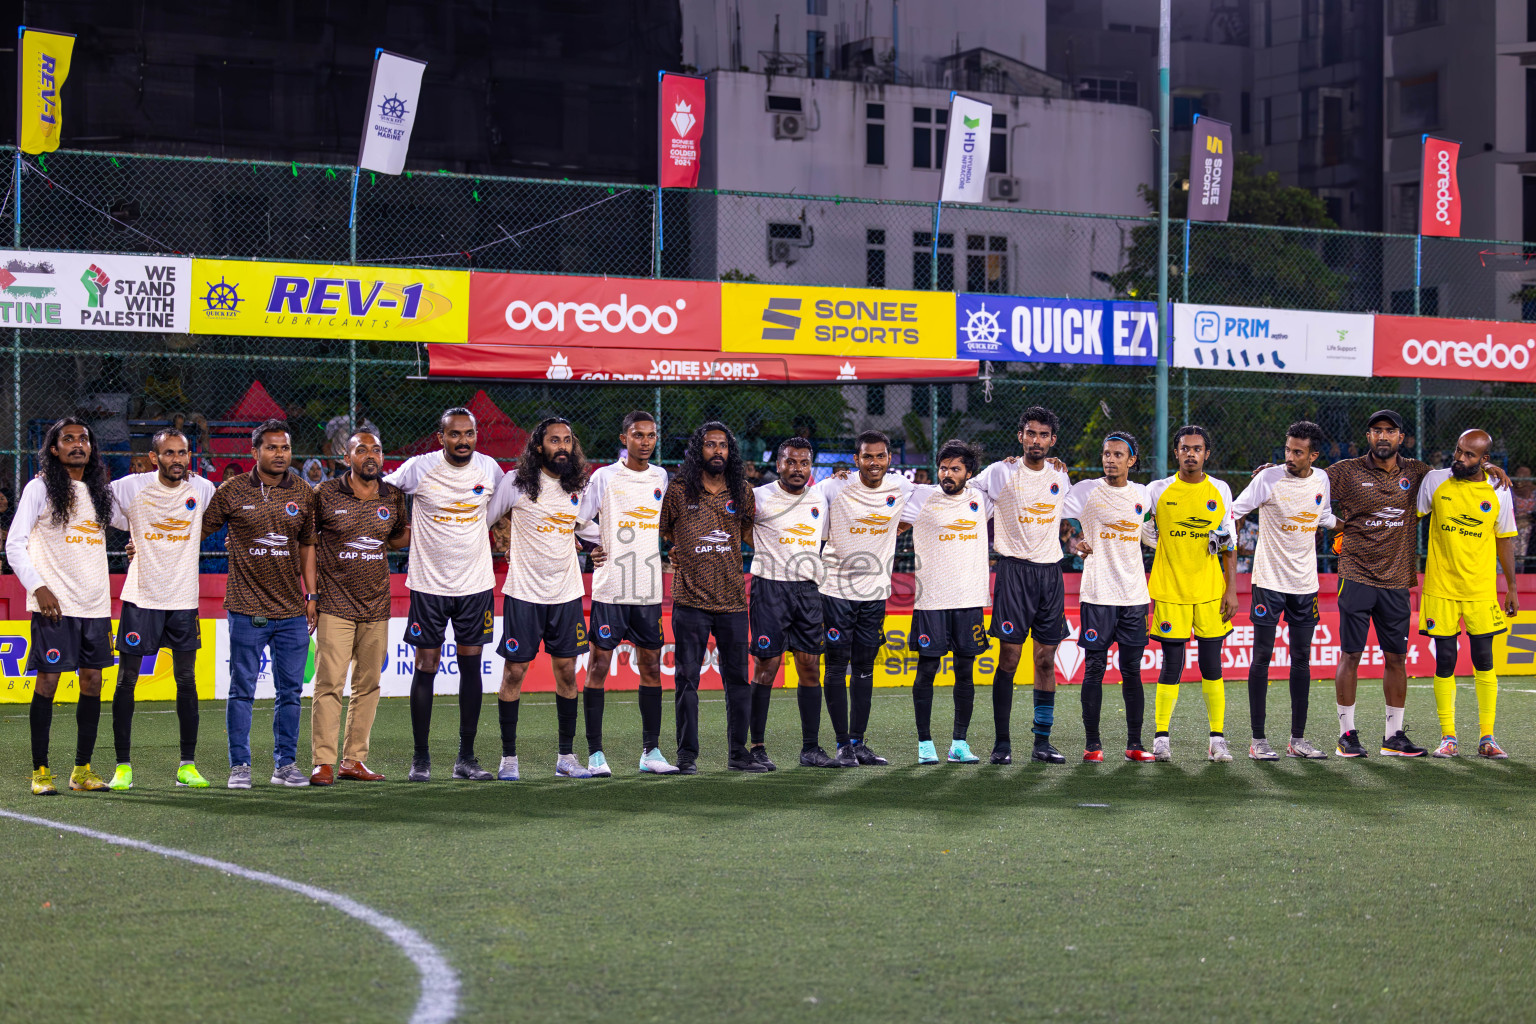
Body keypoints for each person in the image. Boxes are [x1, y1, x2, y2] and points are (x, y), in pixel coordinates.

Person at [1322, 410, 1505, 758]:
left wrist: (1492, 470)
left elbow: (1463, 473)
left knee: (1396, 659)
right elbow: (1308, 482)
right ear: (1368, 436)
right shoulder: (1346, 471)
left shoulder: (1421, 473)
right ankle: (1347, 734)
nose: (1383, 437)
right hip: (1356, 574)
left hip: (1396, 581)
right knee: (1350, 654)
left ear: (1400, 438)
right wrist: (1277, 473)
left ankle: (1393, 737)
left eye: (1389, 431)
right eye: (1376, 431)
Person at [383, 407, 504, 782]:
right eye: (455, 434)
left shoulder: (490, 469)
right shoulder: (418, 468)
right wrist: (392, 525)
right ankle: (421, 759)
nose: (463, 440)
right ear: (441, 437)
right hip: (428, 586)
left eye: (469, 433)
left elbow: (510, 508)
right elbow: (381, 490)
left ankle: (466, 758)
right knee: (426, 666)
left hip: (476, 585)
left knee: (472, 668)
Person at [201, 420, 318, 789]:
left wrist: (311, 595)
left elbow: (307, 546)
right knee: (241, 689)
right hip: (245, 607)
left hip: (291, 612)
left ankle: (285, 765)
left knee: (290, 693)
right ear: (255, 452)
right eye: (271, 448)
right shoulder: (232, 490)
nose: (279, 454)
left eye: (284, 448)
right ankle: (240, 766)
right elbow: (197, 530)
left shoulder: (303, 491)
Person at [8, 418, 115, 794]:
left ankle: (81, 771)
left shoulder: (101, 493)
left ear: (91, 447)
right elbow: (14, 544)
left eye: (83, 438)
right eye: (67, 439)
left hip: (95, 605)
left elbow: (140, 519)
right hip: (54, 605)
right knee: (49, 682)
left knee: (93, 681)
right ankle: (41, 772)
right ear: (54, 449)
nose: (76, 444)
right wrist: (38, 588)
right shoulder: (40, 488)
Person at [106, 427, 218, 790]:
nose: (176, 460)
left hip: (183, 600)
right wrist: (132, 536)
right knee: (127, 680)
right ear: (155, 458)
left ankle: (188, 765)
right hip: (142, 598)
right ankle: (123, 766)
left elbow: (214, 521)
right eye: (168, 453)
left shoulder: (202, 489)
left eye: (182, 453)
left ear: (190, 456)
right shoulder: (131, 486)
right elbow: (95, 503)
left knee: (186, 680)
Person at [487, 417, 593, 781]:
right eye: (554, 441)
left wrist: (599, 544)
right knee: (514, 672)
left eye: (567, 440)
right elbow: (486, 518)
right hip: (523, 594)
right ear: (538, 447)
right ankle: (509, 758)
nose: (562, 446)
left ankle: (566, 757)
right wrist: (501, 538)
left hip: (566, 594)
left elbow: (587, 525)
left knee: (566, 672)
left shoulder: (579, 486)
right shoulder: (515, 483)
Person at [1229, 422, 1336, 761]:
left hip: (1305, 585)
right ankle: (1258, 740)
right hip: (1269, 582)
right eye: (1288, 449)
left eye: (1298, 452)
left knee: (1301, 660)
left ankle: (1297, 739)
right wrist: (1227, 549)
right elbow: (1233, 512)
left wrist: (1353, 529)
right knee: (1261, 657)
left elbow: (1326, 517)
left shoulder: (1322, 480)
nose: (1290, 456)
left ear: (1313, 456)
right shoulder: (1268, 478)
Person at [307, 431, 410, 785]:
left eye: (377, 450)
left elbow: (398, 537)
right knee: (329, 684)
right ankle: (323, 761)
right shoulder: (325, 494)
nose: (370, 455)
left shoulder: (393, 497)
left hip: (377, 606)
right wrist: (311, 595)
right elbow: (306, 541)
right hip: (334, 603)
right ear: (346, 456)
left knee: (368, 685)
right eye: (361, 449)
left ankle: (353, 760)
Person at [972, 406, 1073, 765]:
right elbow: (964, 492)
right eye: (1031, 433)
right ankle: (1002, 743)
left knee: (1046, 660)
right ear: (1020, 436)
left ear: (1052, 441)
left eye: (1044, 435)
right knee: (1010, 658)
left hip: (1050, 574)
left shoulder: (1061, 476)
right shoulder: (1000, 472)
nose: (1036, 440)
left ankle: (1041, 742)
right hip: (1013, 572)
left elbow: (1081, 507)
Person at [577, 411, 676, 775]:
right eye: (638, 435)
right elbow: (578, 519)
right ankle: (596, 754)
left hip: (649, 590)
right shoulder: (604, 477)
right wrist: (592, 546)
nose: (645, 441)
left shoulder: (661, 477)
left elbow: (668, 520)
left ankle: (651, 752)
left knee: (651, 667)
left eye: (651, 435)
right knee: (599, 666)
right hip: (611, 590)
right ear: (624, 439)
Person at [659, 421, 760, 774]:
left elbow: (750, 532)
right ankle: (687, 756)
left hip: (733, 599)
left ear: (730, 452)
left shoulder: (742, 491)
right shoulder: (679, 490)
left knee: (738, 680)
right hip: (689, 600)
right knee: (687, 679)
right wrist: (672, 549)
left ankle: (738, 754)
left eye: (723, 445)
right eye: (710, 444)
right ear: (697, 450)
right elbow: (663, 530)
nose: (717, 451)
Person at [1418, 430, 1520, 758]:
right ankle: (1448, 737)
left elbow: (1505, 539)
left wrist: (1512, 587)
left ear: (1484, 460)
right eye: (1458, 451)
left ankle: (1487, 738)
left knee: (1484, 659)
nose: (1460, 458)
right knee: (1445, 658)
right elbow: (1409, 517)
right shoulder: (1435, 481)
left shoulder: (1499, 489)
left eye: (1469, 455)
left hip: (1480, 590)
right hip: (1441, 588)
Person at [817, 429, 916, 767]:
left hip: (874, 595)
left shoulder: (901, 487)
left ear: (889, 459)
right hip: (835, 592)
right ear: (856, 459)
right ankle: (842, 744)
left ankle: (859, 742)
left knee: (864, 667)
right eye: (867, 457)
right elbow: (801, 504)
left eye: (881, 456)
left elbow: (945, 495)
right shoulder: (833, 486)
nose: (874, 463)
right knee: (835, 666)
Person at [1142, 426, 1237, 762]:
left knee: (1212, 665)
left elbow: (1228, 542)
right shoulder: (1157, 491)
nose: (1191, 454)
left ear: (1206, 453)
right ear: (1176, 452)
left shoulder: (1220, 489)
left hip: (1211, 592)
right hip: (1170, 592)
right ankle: (1161, 738)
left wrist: (1232, 589)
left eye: (1197, 449)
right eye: (1185, 448)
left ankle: (1217, 739)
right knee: (1172, 665)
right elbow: (1140, 529)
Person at [1061, 432, 1156, 763]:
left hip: (1133, 594)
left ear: (1131, 460)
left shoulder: (1143, 495)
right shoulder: (1087, 490)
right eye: (1106, 454)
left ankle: (1134, 744)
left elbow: (1153, 534)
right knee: (1095, 669)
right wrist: (1076, 543)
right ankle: (1092, 745)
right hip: (1098, 593)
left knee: (1132, 669)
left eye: (1117, 455)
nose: (1110, 459)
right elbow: (1052, 512)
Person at [899, 439, 993, 765]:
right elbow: (888, 520)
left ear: (969, 472)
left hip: (969, 600)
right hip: (932, 602)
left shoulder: (981, 498)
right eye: (943, 467)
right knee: (927, 671)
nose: (947, 474)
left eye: (955, 468)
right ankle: (925, 744)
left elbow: (1009, 480)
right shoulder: (922, 498)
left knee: (965, 674)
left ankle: (959, 744)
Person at [749, 437, 830, 768]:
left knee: (810, 666)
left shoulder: (821, 498)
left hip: (807, 591)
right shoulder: (759, 497)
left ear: (810, 466)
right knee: (767, 667)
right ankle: (756, 746)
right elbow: (742, 530)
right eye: (790, 462)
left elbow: (823, 538)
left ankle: (810, 748)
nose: (797, 469)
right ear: (778, 463)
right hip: (769, 589)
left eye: (804, 463)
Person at [1511, 466, 1534, 571]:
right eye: (1518, 475)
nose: (1520, 479)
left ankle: (1523, 567)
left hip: (1529, 525)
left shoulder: (1533, 493)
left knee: (1526, 530)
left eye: (1523, 476)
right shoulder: (1510, 492)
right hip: (1514, 524)